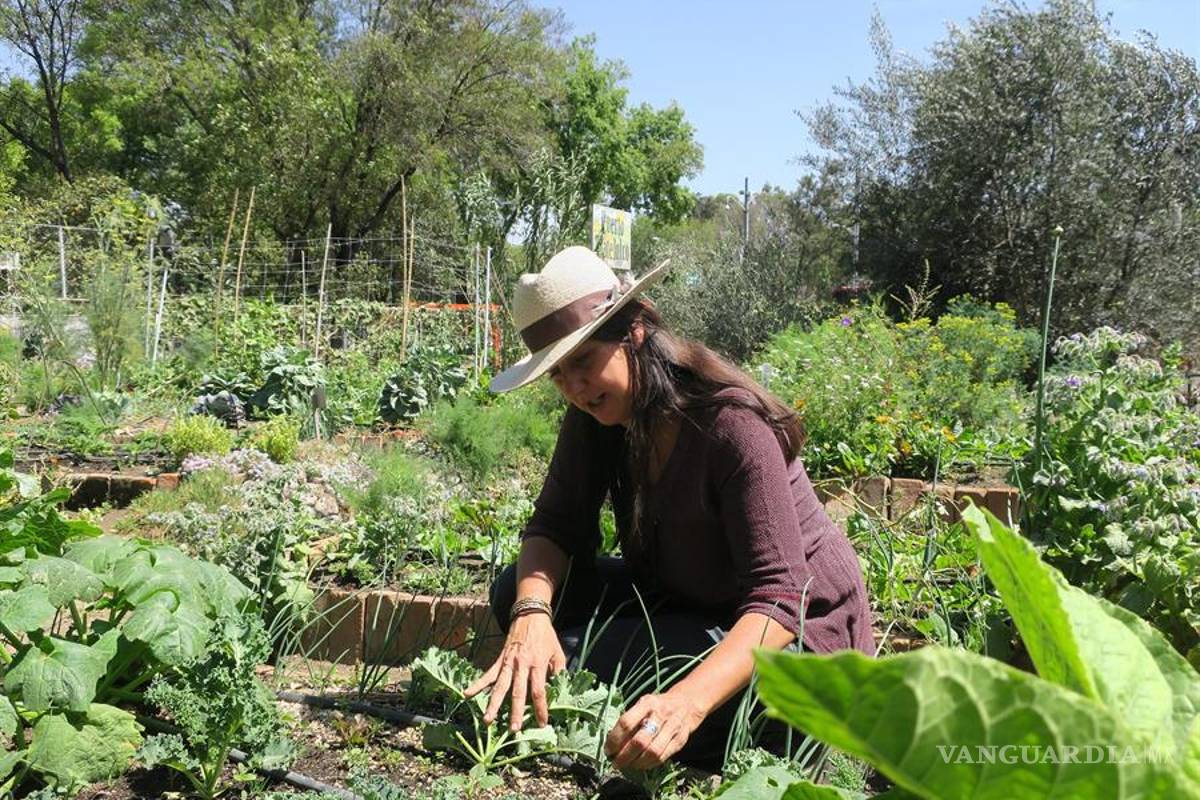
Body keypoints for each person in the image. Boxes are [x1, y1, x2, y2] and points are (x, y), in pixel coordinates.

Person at [464, 246, 873, 773]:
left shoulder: (730, 426)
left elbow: (780, 598)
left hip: (796, 641)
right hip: (693, 601)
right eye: (557, 374)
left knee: (580, 658)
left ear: (634, 332)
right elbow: (554, 525)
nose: (574, 389)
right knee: (516, 593)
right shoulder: (596, 418)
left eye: (583, 361)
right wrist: (530, 616)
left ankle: (750, 726)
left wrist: (685, 704)